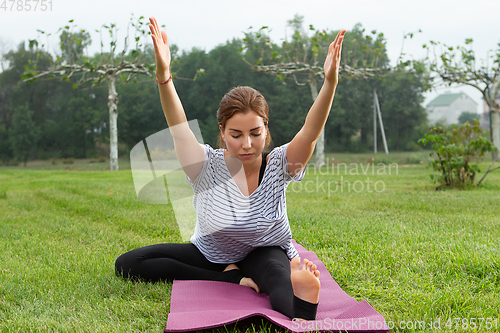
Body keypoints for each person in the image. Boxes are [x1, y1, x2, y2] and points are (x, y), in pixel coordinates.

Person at [115, 16, 345, 321]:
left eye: (255, 133)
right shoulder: (204, 164)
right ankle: (229, 276)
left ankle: (303, 308)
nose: (247, 144)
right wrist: (164, 76)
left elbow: (310, 131)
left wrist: (329, 83)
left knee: (277, 281)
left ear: (266, 129)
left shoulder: (280, 164)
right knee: (130, 263)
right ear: (223, 132)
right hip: (212, 255)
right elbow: (179, 128)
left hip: (265, 249)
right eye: (236, 135)